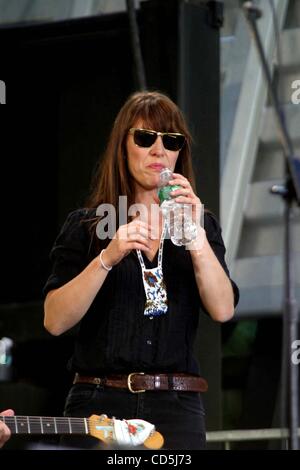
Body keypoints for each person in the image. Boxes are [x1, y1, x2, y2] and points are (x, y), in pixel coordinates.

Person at [43, 90, 239, 450]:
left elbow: (224, 308)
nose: (159, 150)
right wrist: (107, 257)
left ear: (181, 152)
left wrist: (194, 236)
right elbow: (54, 320)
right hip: (99, 403)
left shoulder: (202, 226)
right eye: (146, 138)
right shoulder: (87, 225)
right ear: (123, 145)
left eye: (172, 140)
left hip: (176, 407)